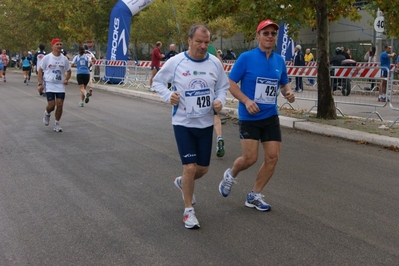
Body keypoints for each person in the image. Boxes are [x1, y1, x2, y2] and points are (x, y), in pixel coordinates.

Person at [152, 24, 229, 229]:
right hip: (183, 123)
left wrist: (221, 101)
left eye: (206, 42)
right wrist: (169, 96)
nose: (203, 46)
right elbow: (157, 82)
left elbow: (223, 87)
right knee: (190, 167)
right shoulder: (176, 62)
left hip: (205, 124)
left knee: (202, 169)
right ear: (189, 41)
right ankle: (188, 211)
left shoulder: (214, 63)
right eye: (198, 42)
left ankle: (182, 182)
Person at [218, 19, 295, 212]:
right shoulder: (246, 57)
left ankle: (254, 195)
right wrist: (246, 101)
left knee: (272, 158)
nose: (270, 36)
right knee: (249, 158)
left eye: (273, 34)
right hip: (250, 116)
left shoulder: (279, 60)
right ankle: (231, 174)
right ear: (258, 35)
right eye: (266, 33)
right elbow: (231, 83)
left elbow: (284, 83)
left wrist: (288, 92)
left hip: (270, 116)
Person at [37, 38, 71, 133]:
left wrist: (66, 79)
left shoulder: (64, 59)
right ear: (53, 46)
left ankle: (56, 123)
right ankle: (47, 113)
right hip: (49, 84)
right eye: (57, 44)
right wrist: (40, 84)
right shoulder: (47, 58)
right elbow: (40, 71)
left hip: (60, 85)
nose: (59, 46)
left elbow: (68, 71)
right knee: (51, 105)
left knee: (60, 105)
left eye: (61, 44)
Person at [208, 44, 226, 157]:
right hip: (214, 82)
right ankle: (219, 136)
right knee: (214, 115)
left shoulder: (198, 47)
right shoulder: (213, 49)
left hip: (203, 85)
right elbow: (220, 64)